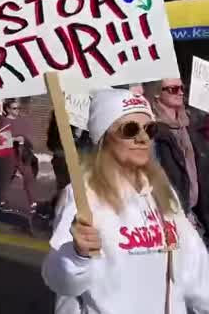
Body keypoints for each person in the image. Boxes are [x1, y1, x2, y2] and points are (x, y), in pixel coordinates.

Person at [42, 89, 209, 313]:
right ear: (104, 138)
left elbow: (196, 268)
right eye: (130, 129)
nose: (142, 138)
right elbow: (60, 282)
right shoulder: (83, 195)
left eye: (150, 129)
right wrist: (77, 254)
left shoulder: (161, 192)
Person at [146, 78, 199, 219]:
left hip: (194, 212)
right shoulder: (152, 129)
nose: (181, 92)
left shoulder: (189, 123)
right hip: (170, 213)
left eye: (182, 88)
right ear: (157, 93)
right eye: (173, 89)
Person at [0, 99, 37, 211]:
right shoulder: (3, 120)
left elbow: (28, 136)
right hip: (8, 154)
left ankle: (33, 203)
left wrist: (24, 139)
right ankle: (1, 201)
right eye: (14, 108)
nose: (17, 110)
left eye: (18, 108)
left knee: (29, 176)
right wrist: (14, 139)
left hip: (22, 154)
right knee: (6, 178)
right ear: (7, 109)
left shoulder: (22, 121)